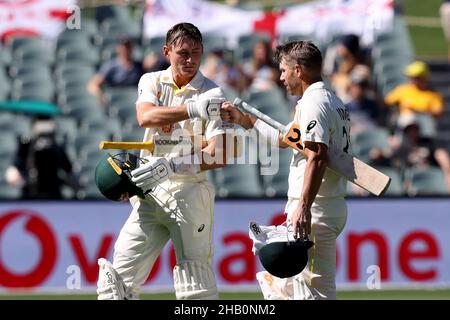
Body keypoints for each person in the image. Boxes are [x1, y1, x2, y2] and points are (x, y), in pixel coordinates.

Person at [96, 22, 232, 300]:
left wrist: (171, 166)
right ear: (167, 51)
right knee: (115, 285)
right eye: (183, 53)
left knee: (196, 288)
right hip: (150, 196)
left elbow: (221, 154)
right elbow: (146, 117)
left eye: (196, 52)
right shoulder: (152, 81)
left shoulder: (214, 94)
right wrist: (193, 108)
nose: (191, 60)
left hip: (190, 194)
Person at [222, 40, 350, 299]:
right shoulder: (328, 99)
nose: (280, 77)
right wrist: (244, 120)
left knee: (314, 293)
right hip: (322, 205)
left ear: (298, 70)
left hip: (315, 209)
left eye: (283, 70)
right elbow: (286, 139)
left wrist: (303, 206)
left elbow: (317, 157)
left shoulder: (315, 103)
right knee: (288, 288)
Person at [5, 118, 77, 199]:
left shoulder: (57, 149)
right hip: (30, 196)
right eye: (42, 134)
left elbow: (69, 172)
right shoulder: (26, 147)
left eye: (49, 134)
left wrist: (73, 184)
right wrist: (18, 177)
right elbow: (14, 170)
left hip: (53, 195)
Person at [384, 61, 444, 132]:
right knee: (408, 118)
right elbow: (387, 102)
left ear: (425, 78)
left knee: (426, 122)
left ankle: (423, 142)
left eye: (417, 78)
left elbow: (438, 113)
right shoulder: (403, 90)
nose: (414, 80)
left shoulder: (433, 94)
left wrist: (418, 110)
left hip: (424, 124)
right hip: (405, 124)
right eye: (412, 77)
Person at [87, 35, 144, 105]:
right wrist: (100, 95)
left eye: (128, 46)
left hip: (134, 101)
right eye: (123, 46)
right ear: (118, 48)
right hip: (116, 102)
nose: (125, 49)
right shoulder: (111, 65)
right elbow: (93, 84)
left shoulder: (139, 65)